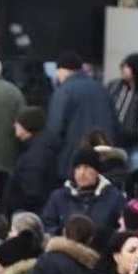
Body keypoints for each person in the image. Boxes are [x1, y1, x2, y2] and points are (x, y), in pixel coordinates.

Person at [46, 51, 117, 179]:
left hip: (74, 159)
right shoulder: (101, 89)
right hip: (104, 158)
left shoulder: (63, 92)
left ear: (63, 70)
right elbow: (115, 123)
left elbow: (55, 129)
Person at [40, 148, 125, 236]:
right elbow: (47, 226)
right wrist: (62, 233)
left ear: (97, 171)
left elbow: (122, 228)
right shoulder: (58, 197)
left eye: (87, 167)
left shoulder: (114, 198)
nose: (82, 173)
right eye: (77, 168)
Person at [2, 107, 59, 217]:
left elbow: (33, 187)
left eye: (18, 123)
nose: (14, 126)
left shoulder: (36, 153)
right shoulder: (41, 146)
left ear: (27, 126)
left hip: (29, 212)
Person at [107, 53, 138, 168]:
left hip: (135, 141)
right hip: (114, 138)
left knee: (135, 167)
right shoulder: (114, 86)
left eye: (128, 67)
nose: (124, 70)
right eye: (123, 67)